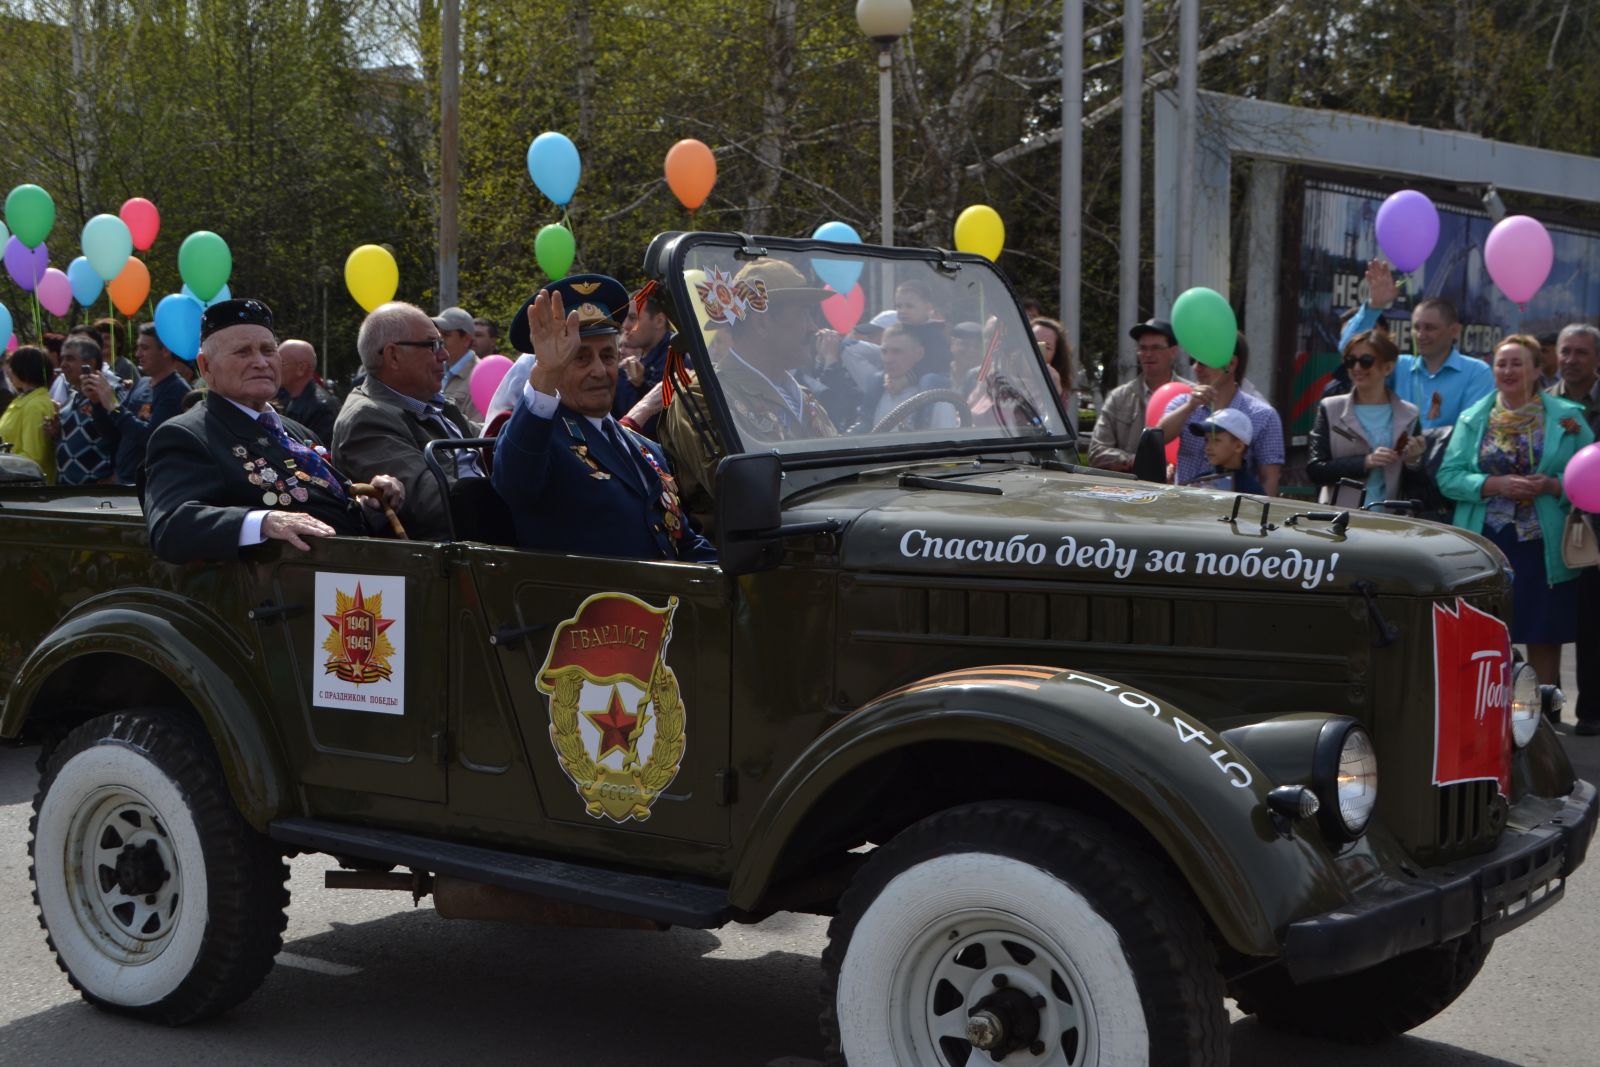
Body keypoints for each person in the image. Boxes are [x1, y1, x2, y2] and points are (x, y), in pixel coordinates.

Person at [143, 299, 405, 563]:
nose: (261, 362)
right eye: (243, 352)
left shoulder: (297, 432)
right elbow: (170, 526)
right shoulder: (187, 435)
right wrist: (263, 521)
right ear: (206, 366)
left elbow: (325, 509)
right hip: (281, 585)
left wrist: (370, 502)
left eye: (268, 350)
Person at [493, 275, 713, 561]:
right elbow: (516, 484)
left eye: (608, 356)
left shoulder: (645, 449)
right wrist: (545, 375)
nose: (599, 370)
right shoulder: (541, 441)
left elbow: (683, 542)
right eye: (580, 358)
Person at [1437, 334, 1594, 691]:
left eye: (1517, 363)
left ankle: (1542, 714)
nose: (1508, 371)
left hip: (1543, 546)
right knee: (1485, 635)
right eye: (1501, 364)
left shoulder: (1568, 419)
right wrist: (1495, 484)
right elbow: (1448, 477)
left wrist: (1552, 485)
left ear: (1538, 370)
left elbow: (1590, 476)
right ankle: (1486, 709)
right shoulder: (1474, 418)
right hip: (1488, 544)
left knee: (1543, 634)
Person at [658, 258, 836, 532]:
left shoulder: (803, 397)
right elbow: (741, 495)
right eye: (803, 314)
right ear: (762, 323)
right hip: (752, 553)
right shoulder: (704, 397)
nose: (813, 327)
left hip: (814, 539)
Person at [332, 302, 485, 542]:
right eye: (433, 345)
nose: (444, 355)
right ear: (393, 356)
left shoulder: (431, 403)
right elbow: (439, 504)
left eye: (442, 344)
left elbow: (492, 437)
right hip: (456, 556)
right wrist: (523, 498)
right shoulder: (367, 418)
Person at [1339, 261, 1493, 429]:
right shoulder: (1398, 366)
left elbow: (1471, 431)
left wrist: (1421, 442)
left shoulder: (1476, 372)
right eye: (1416, 327)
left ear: (1454, 331)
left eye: (1429, 328)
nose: (1420, 335)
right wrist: (1374, 306)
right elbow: (1349, 349)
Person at [1547, 324, 1600, 735]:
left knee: (1593, 621)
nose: (1571, 360)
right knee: (1546, 624)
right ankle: (1547, 708)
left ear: (1597, 359)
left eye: (1581, 352)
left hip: (1596, 526)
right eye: (1566, 351)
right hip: (1554, 523)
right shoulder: (1544, 404)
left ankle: (1591, 712)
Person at [1307, 329, 1421, 509]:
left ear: (1388, 367)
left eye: (1366, 361)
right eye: (1350, 361)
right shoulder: (1330, 408)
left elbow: (1416, 487)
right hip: (1338, 517)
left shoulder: (1410, 415)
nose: (1357, 368)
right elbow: (1315, 470)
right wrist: (1365, 462)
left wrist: (1413, 462)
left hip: (1389, 519)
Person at [1158, 333, 1284, 495]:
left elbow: (1269, 478)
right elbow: (1158, 438)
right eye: (1194, 360)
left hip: (1234, 509)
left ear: (1231, 364)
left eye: (1204, 361)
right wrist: (1190, 406)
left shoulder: (1264, 415)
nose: (1196, 368)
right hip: (1184, 506)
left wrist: (1259, 510)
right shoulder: (1182, 403)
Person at [82, 322, 189, 484]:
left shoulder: (175, 390)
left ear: (165, 350)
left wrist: (113, 405)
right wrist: (97, 402)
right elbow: (113, 434)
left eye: (145, 348)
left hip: (151, 486)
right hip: (123, 482)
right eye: (138, 347)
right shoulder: (142, 383)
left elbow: (152, 439)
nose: (138, 354)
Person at [1088, 319, 1192, 472]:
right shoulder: (1119, 397)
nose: (1148, 354)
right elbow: (1096, 451)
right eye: (1143, 348)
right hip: (1130, 484)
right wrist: (1133, 460)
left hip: (1180, 483)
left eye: (1156, 348)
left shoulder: (1191, 396)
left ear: (1173, 351)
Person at [52, 334, 127, 485]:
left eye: (70, 359)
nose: (63, 364)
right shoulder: (72, 396)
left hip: (98, 491)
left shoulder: (112, 392)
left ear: (90, 363)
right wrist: (55, 431)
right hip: (66, 491)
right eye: (62, 359)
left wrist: (118, 475)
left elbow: (125, 433)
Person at [854, 323, 957, 432]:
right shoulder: (877, 391)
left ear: (919, 353)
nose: (888, 359)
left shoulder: (935, 397)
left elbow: (946, 438)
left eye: (897, 352)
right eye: (884, 352)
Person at [614, 285, 674, 428]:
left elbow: (655, 426)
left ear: (659, 321)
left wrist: (639, 385)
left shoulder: (675, 360)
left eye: (633, 318)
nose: (625, 325)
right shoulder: (652, 357)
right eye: (625, 319)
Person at [0, 347, 57, 483]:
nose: (9, 371)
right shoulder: (23, 399)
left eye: (13, 367)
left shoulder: (35, 406)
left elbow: (32, 456)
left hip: (27, 487)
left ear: (23, 370)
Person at [273, 339, 341, 444]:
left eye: (280, 363)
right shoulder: (292, 399)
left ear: (301, 368)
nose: (274, 368)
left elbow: (320, 451)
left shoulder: (321, 408)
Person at [1183, 408, 1263, 493]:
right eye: (1206, 440)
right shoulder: (1197, 484)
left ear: (1238, 446)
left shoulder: (1253, 491)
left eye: (1216, 440)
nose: (1207, 447)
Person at [434, 306, 483, 430]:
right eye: (438, 335)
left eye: (446, 335)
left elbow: (479, 431)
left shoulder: (481, 376)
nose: (440, 341)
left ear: (466, 339)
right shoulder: (437, 369)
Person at [1031, 316, 1077, 435]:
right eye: (1033, 343)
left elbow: (1053, 427)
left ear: (1056, 354)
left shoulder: (1056, 385)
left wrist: (1056, 393)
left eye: (1047, 347)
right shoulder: (1002, 377)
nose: (1038, 351)